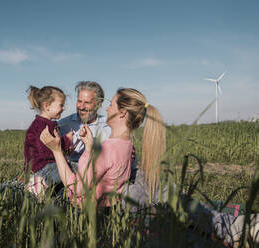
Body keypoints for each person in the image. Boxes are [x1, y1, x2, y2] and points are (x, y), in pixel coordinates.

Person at [40, 87, 259, 245]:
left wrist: (57, 151)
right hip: (128, 201)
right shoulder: (125, 144)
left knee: (186, 220)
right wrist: (89, 147)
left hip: (105, 211)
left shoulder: (108, 148)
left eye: (111, 104)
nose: (106, 109)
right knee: (187, 211)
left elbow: (77, 190)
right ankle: (237, 224)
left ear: (122, 113)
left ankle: (238, 227)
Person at [24, 85, 73, 189]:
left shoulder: (47, 124)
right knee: (74, 170)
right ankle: (36, 183)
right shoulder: (41, 126)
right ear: (47, 106)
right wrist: (67, 140)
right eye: (61, 105)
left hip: (46, 167)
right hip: (42, 168)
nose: (64, 108)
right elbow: (46, 152)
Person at [58, 81, 111, 166]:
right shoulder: (62, 125)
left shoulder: (109, 126)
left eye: (87, 103)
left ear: (99, 104)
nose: (81, 107)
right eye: (79, 101)